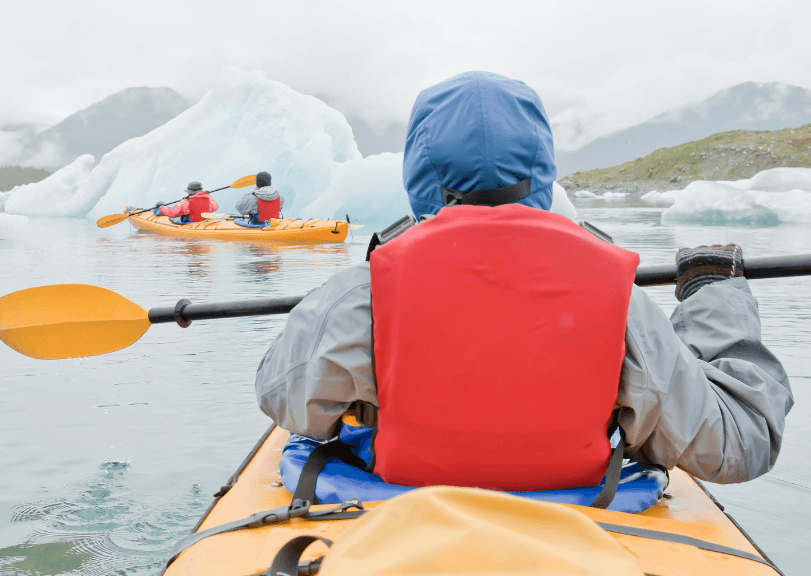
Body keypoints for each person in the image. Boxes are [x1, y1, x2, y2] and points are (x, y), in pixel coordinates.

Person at [254, 72, 793, 489]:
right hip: (585, 503)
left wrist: (370, 394)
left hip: (403, 496)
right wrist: (712, 291)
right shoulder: (617, 304)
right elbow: (740, 443)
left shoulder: (365, 292)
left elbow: (281, 396)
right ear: (541, 168)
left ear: (420, 174)